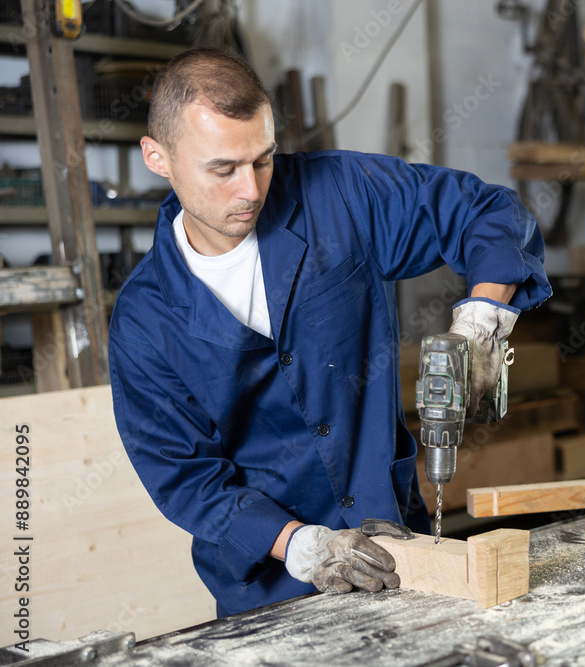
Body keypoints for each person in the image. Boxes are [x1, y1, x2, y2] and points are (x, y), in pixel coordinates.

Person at [108, 48, 551, 617]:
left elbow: (487, 212)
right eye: (223, 169)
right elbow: (185, 477)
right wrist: (300, 544)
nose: (250, 190)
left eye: (262, 160)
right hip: (270, 590)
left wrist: (483, 319)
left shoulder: (338, 195)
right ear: (158, 157)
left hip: (398, 548)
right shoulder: (145, 320)